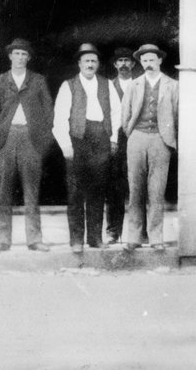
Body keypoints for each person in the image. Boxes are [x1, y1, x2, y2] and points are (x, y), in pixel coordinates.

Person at [0, 37, 54, 253]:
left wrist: (41, 139)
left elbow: (48, 112)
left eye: (24, 54)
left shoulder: (38, 81)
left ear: (29, 58)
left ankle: (34, 239)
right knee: (3, 191)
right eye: (17, 54)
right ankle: (3, 239)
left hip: (30, 139)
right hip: (6, 139)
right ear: (10, 56)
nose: (20, 58)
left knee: (31, 191)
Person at [52, 42, 122, 253]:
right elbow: (60, 117)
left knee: (98, 190)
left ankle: (94, 238)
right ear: (79, 63)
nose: (90, 64)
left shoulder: (107, 84)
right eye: (86, 61)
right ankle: (75, 240)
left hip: (101, 137)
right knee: (75, 192)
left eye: (93, 61)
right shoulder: (69, 85)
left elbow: (116, 113)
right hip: (77, 139)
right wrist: (65, 144)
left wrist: (113, 138)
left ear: (98, 63)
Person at [121, 42, 178, 252]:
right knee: (135, 190)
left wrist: (170, 139)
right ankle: (134, 236)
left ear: (160, 61)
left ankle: (156, 238)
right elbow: (125, 114)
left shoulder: (172, 85)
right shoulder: (133, 85)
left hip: (161, 140)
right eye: (144, 60)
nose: (148, 63)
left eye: (152, 60)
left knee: (156, 190)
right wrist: (132, 133)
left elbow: (177, 114)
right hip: (137, 138)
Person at [104, 46, 138, 245]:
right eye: (120, 61)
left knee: (137, 188)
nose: (124, 64)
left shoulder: (141, 84)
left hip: (137, 140)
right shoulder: (107, 86)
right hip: (115, 143)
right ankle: (113, 232)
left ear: (133, 64)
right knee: (114, 189)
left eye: (127, 60)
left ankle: (138, 233)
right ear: (115, 65)